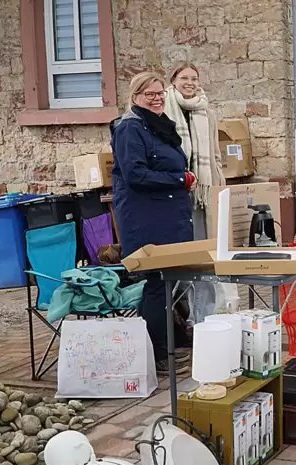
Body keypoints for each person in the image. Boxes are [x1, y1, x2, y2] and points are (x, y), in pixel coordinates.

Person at [111, 72, 196, 375]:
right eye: (150, 94)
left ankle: (171, 345)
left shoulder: (158, 126)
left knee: (167, 283)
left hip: (168, 217)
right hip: (147, 219)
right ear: (135, 97)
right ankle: (159, 355)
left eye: (160, 93)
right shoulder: (130, 129)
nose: (157, 98)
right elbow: (135, 174)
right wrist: (177, 178)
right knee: (157, 284)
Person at [163, 62, 225, 239]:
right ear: (174, 80)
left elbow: (214, 150)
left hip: (203, 181)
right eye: (184, 78)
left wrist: (218, 176)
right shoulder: (164, 108)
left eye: (194, 79)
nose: (189, 83)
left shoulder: (207, 112)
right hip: (177, 179)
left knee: (204, 230)